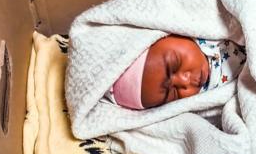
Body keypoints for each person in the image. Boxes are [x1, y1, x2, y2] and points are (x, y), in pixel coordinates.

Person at [104, 34, 247, 109]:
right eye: (172, 93)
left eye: (175, 63)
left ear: (165, 35)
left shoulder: (206, 28)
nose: (185, 82)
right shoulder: (207, 98)